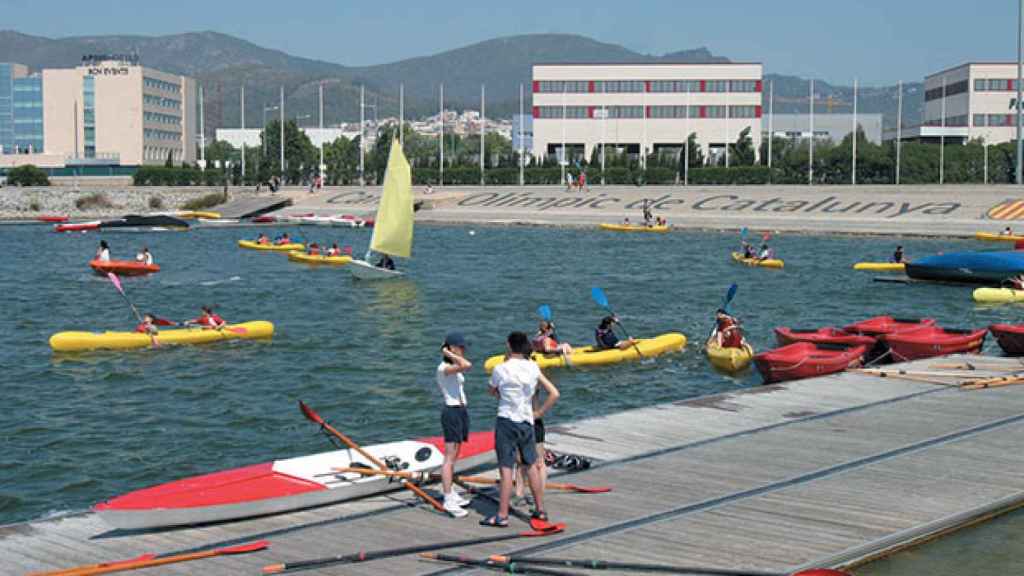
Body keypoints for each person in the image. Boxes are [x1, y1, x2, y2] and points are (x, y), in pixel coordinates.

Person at [483, 331, 559, 527]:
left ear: (509, 346)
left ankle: (502, 515)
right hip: (527, 421)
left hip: (506, 421)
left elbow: (492, 391)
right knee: (531, 464)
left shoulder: (500, 369)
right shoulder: (533, 367)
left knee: (506, 468)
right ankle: (540, 510)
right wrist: (539, 412)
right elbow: (554, 393)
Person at [437, 332, 473, 518]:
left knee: (456, 454)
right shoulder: (444, 367)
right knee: (449, 456)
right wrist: (448, 353)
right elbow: (467, 365)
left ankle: (451, 491)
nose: (464, 350)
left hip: (460, 411)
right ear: (451, 349)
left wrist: (453, 355)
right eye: (460, 347)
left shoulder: (453, 366)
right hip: (451, 412)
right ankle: (447, 497)